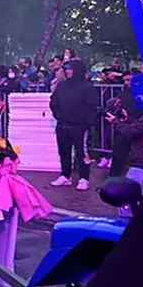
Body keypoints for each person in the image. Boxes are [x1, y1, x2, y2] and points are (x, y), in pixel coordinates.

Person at [50, 59, 98, 191]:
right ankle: (65, 176)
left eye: (70, 69)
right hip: (62, 125)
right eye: (66, 69)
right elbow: (53, 103)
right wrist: (59, 116)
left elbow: (92, 107)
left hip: (79, 126)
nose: (68, 71)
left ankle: (84, 178)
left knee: (82, 152)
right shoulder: (62, 86)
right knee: (63, 152)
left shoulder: (87, 87)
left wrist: (86, 122)